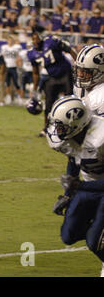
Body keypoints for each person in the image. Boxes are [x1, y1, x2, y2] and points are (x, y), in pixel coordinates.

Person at [46, 96, 104, 277]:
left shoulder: (101, 137)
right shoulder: (70, 137)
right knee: (68, 234)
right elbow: (73, 159)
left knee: (94, 240)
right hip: (88, 185)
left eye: (61, 126)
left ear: (77, 124)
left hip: (97, 187)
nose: (57, 130)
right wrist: (67, 194)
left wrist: (79, 187)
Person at [28, 29, 78, 136]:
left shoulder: (51, 42)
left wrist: (79, 65)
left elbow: (69, 49)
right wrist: (34, 89)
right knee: (49, 104)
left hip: (66, 74)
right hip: (53, 77)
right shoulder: (32, 54)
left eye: (36, 38)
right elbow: (35, 73)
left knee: (70, 102)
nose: (35, 41)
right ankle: (47, 128)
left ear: (41, 38)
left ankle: (72, 127)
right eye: (33, 39)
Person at [73, 44, 104, 116]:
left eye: (86, 71)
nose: (80, 74)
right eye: (79, 70)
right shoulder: (79, 86)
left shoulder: (101, 95)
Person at [1, 35, 24, 105]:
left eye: (11, 40)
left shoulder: (16, 48)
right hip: (7, 67)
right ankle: (8, 97)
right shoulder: (4, 47)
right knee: (7, 84)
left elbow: (19, 57)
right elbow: (3, 57)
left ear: (13, 41)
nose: (10, 41)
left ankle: (20, 98)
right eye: (9, 40)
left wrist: (19, 65)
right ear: (7, 41)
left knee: (17, 84)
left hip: (14, 67)